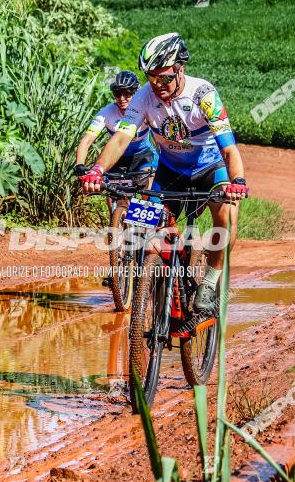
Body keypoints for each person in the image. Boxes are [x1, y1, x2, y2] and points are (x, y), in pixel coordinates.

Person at [79, 33, 248, 312]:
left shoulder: (204, 95)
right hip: (170, 170)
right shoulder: (144, 96)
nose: (158, 86)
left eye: (165, 78)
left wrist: (237, 181)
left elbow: (229, 150)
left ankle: (209, 282)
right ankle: (156, 282)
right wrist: (97, 170)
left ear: (180, 69)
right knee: (143, 226)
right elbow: (121, 138)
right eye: (152, 78)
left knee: (226, 218)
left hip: (210, 168)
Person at [74, 70, 158, 203]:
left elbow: (160, 138)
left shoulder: (145, 110)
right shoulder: (106, 112)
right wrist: (80, 164)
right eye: (117, 93)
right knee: (112, 196)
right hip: (117, 157)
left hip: (143, 155)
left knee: (147, 192)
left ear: (136, 93)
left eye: (127, 93)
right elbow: (87, 140)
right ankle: (115, 221)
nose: (122, 98)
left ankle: (143, 220)